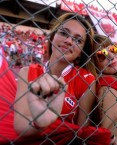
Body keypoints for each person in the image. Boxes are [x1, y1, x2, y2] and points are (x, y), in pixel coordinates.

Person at [12, 13, 111, 144]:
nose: (69, 41)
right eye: (64, 33)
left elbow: (80, 131)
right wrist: (38, 123)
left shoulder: (87, 80)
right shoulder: (26, 72)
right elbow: (20, 125)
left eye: (78, 40)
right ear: (53, 36)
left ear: (81, 51)